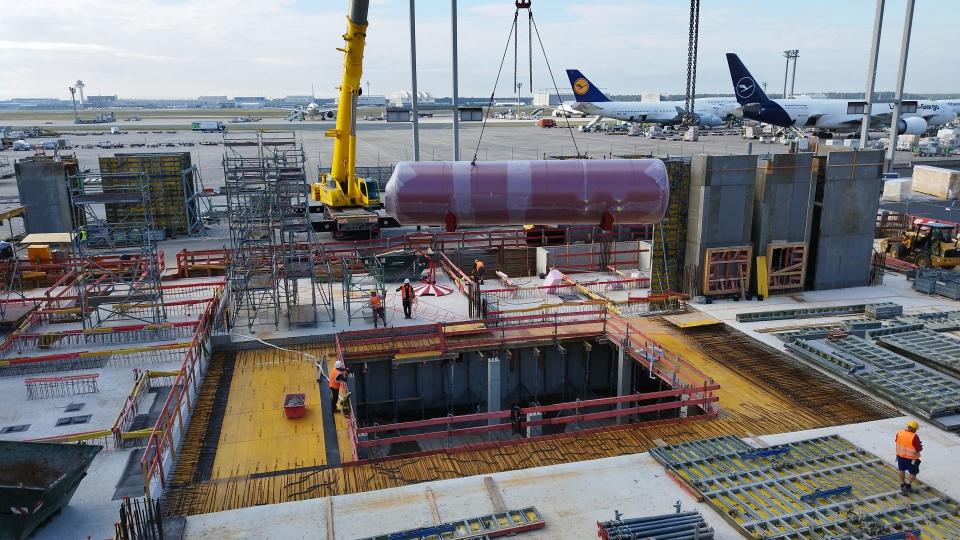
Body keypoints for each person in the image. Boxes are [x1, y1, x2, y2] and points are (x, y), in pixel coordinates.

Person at [895, 419, 923, 494]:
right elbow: (919, 449)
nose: (916, 431)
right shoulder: (914, 437)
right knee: (914, 472)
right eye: (915, 429)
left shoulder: (900, 432)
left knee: (901, 469)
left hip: (900, 455)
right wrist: (920, 445)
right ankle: (908, 486)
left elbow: (897, 441)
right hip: (911, 458)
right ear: (912, 428)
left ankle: (902, 484)